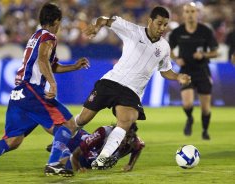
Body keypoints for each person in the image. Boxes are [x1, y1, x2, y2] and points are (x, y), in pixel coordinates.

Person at [0, 3, 89, 183]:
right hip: (32, 90)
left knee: (14, 140)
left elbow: (50, 64)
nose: (60, 26)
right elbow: (42, 60)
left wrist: (74, 67)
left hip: (19, 94)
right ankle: (54, 164)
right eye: (60, 22)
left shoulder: (36, 36)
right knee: (68, 124)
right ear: (55, 21)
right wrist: (52, 84)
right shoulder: (49, 37)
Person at [74, 6, 191, 169]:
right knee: (82, 119)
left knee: (127, 120)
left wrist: (178, 76)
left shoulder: (164, 47)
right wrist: (96, 26)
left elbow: (165, 70)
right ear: (150, 21)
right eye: (159, 24)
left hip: (132, 92)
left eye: (165, 25)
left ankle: (102, 158)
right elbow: (104, 20)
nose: (162, 28)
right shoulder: (132, 30)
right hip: (111, 82)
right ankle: (62, 139)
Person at [168, 2, 218, 140]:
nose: (190, 14)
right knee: (187, 103)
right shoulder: (177, 32)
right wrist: (176, 59)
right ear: (183, 14)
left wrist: (204, 55)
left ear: (197, 13)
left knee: (205, 107)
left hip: (202, 70)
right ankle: (189, 118)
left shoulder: (205, 31)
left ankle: (205, 131)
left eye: (193, 11)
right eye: (187, 11)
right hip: (186, 71)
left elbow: (215, 52)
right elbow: (168, 50)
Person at [70, 123, 145, 172]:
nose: (125, 140)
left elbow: (139, 147)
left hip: (93, 154)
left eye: (128, 136)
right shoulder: (103, 132)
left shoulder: (133, 141)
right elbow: (75, 155)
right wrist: (78, 169)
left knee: (95, 162)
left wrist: (130, 165)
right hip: (74, 142)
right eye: (123, 135)